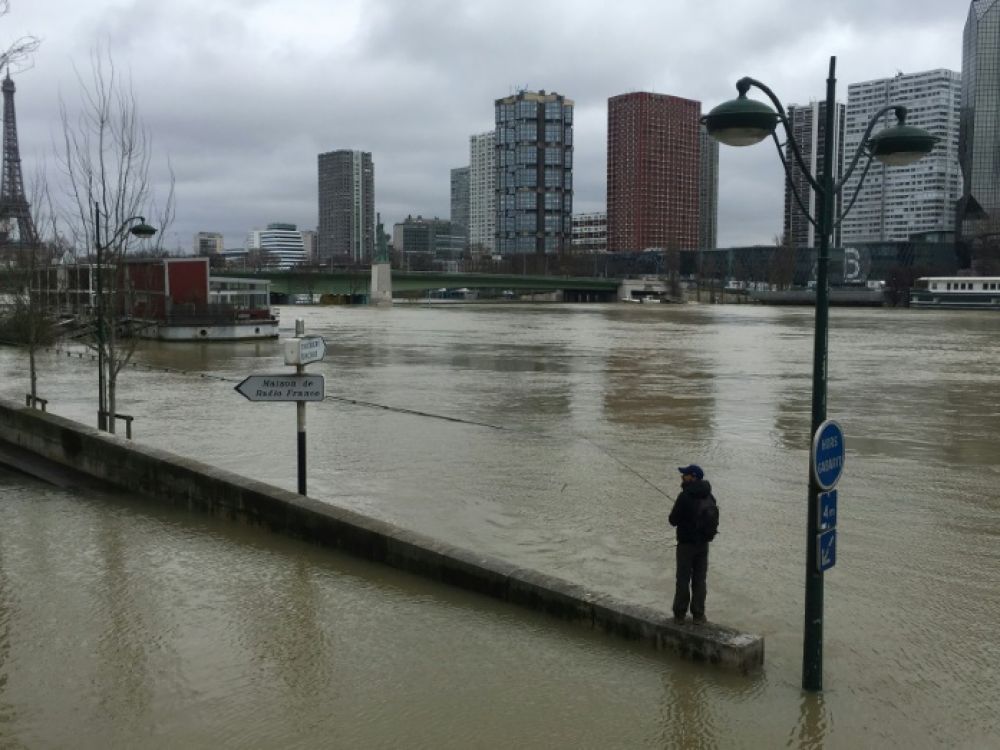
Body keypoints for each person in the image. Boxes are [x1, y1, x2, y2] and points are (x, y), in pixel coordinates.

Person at [668, 464, 717, 624]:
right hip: (703, 545)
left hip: (686, 545)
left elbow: (672, 520)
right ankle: (699, 615)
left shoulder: (685, 496)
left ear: (693, 477)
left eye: (686, 474)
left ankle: (680, 615)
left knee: (683, 579)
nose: (682, 476)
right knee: (700, 579)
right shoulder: (709, 496)